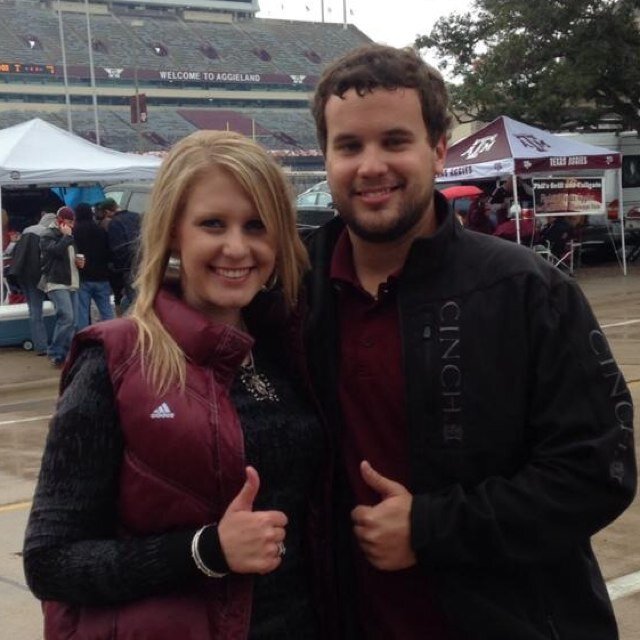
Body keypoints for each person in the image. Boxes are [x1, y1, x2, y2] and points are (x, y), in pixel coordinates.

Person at [304, 44, 636, 640]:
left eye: (395, 141)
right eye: (349, 146)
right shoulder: (291, 289)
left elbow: (598, 472)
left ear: (438, 150)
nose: (371, 165)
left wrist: (431, 528)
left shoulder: (530, 290)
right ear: (325, 157)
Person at [23, 131, 330, 640]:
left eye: (257, 226)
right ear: (172, 233)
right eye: (213, 224)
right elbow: (51, 561)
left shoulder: (289, 348)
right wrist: (206, 550)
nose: (237, 247)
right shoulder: (117, 361)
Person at [39, 206, 84, 367]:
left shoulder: (70, 235)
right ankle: (55, 352)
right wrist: (66, 237)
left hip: (72, 281)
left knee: (73, 321)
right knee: (67, 317)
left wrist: (79, 262)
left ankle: (65, 354)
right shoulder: (47, 235)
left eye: (73, 222)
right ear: (61, 221)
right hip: (56, 282)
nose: (72, 225)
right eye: (69, 221)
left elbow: (69, 255)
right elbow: (55, 252)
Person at [9, 211, 57, 354]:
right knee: (60, 309)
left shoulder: (26, 231)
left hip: (22, 276)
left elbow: (14, 252)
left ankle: (40, 344)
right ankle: (50, 344)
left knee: (34, 311)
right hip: (39, 276)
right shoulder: (47, 234)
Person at [73, 202, 115, 329]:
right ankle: (112, 336)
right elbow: (109, 251)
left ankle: (84, 339)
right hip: (102, 276)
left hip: (83, 277)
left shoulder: (75, 231)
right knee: (106, 310)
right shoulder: (101, 230)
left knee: (83, 313)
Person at [103, 197, 141, 311]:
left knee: (135, 301)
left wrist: (116, 268)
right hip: (144, 262)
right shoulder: (136, 216)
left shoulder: (114, 223)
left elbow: (117, 248)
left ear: (107, 212)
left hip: (129, 267)